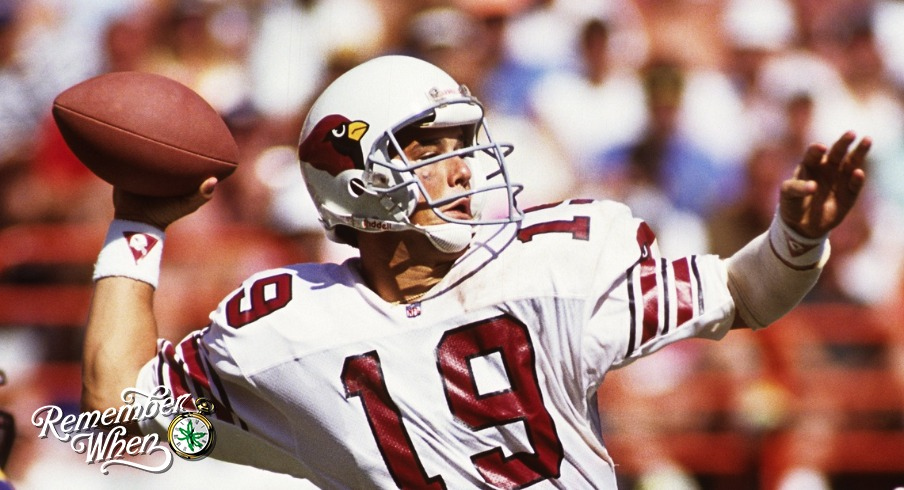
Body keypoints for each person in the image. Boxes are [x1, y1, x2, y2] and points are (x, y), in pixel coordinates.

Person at [81, 55, 870, 488]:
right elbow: (117, 409)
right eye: (433, 152)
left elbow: (742, 293)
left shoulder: (556, 264)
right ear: (356, 181)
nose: (465, 171)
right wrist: (138, 225)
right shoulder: (280, 327)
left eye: (467, 145)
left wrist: (794, 238)